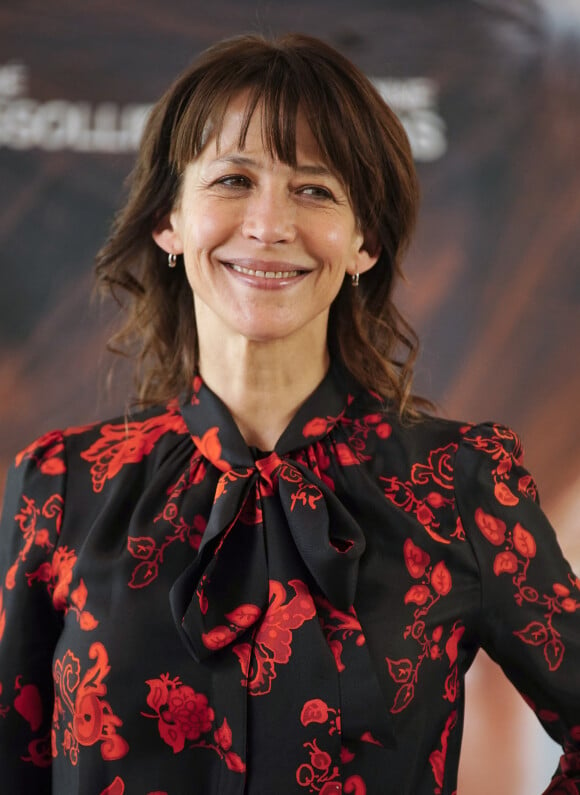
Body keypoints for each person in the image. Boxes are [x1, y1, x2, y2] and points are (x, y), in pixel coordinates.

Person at [0, 33, 578, 795]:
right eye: (234, 179)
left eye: (314, 190)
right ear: (167, 221)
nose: (270, 224)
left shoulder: (459, 484)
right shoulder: (62, 485)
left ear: (365, 241)